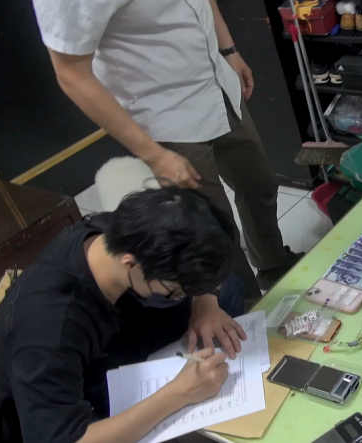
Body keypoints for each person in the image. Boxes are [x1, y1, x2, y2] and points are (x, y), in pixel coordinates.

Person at [31, 0, 303, 294]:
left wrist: (229, 50)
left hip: (217, 82)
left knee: (258, 183)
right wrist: (155, 156)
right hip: (166, 115)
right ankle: (246, 303)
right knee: (210, 225)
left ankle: (273, 264)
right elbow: (71, 73)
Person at [0, 187, 252, 443]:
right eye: (176, 291)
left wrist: (205, 303)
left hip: (118, 330)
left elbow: (198, 274)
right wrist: (179, 393)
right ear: (130, 263)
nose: (183, 295)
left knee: (227, 290)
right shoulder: (51, 328)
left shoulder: (127, 233)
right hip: (69, 394)